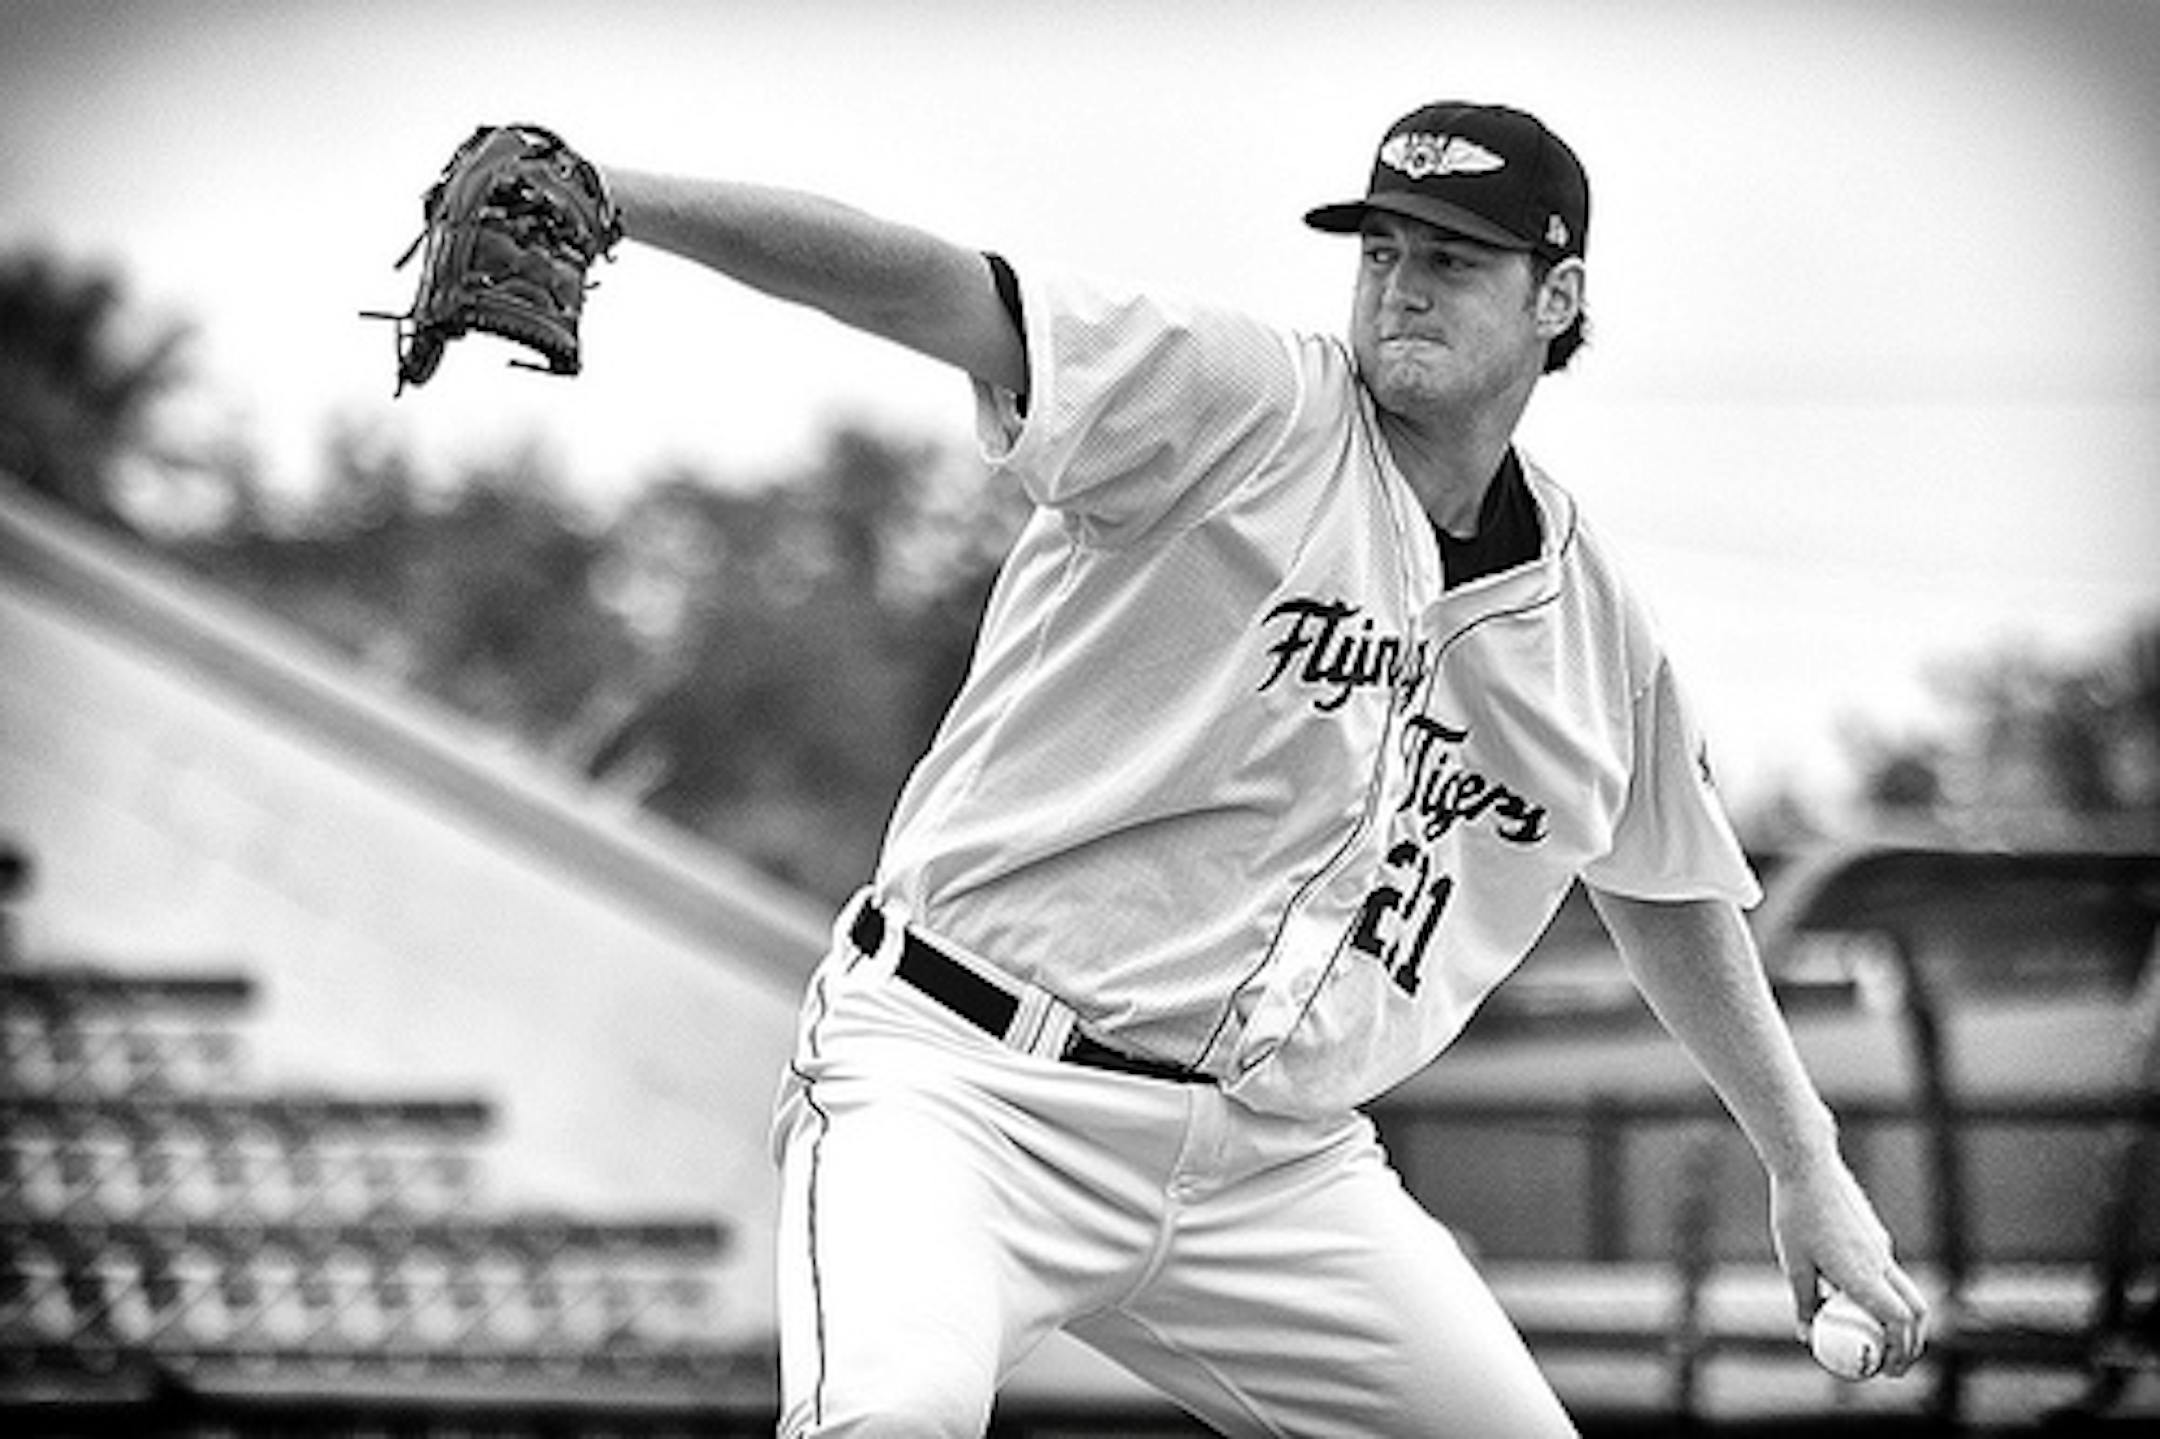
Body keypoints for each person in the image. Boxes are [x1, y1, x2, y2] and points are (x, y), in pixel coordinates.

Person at [597, 99, 1929, 1436]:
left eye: (1454, 261)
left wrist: (1805, 1161)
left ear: (1557, 296)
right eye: (1381, 252)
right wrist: (617, 195)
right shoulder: (1241, 403)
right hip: (962, 1083)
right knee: (888, 1416)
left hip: (1268, 1163)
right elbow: (932, 286)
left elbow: (1666, 888)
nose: (1402, 289)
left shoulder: (1591, 626)